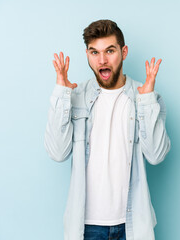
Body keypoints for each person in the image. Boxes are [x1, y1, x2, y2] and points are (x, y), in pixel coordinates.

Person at [44, 19, 171, 240]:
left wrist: (148, 100)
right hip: (86, 226)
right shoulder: (74, 96)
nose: (102, 60)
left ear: (124, 52)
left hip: (132, 226)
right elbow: (57, 153)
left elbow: (156, 156)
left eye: (109, 51)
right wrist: (60, 95)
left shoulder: (144, 98)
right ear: (87, 55)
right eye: (94, 52)